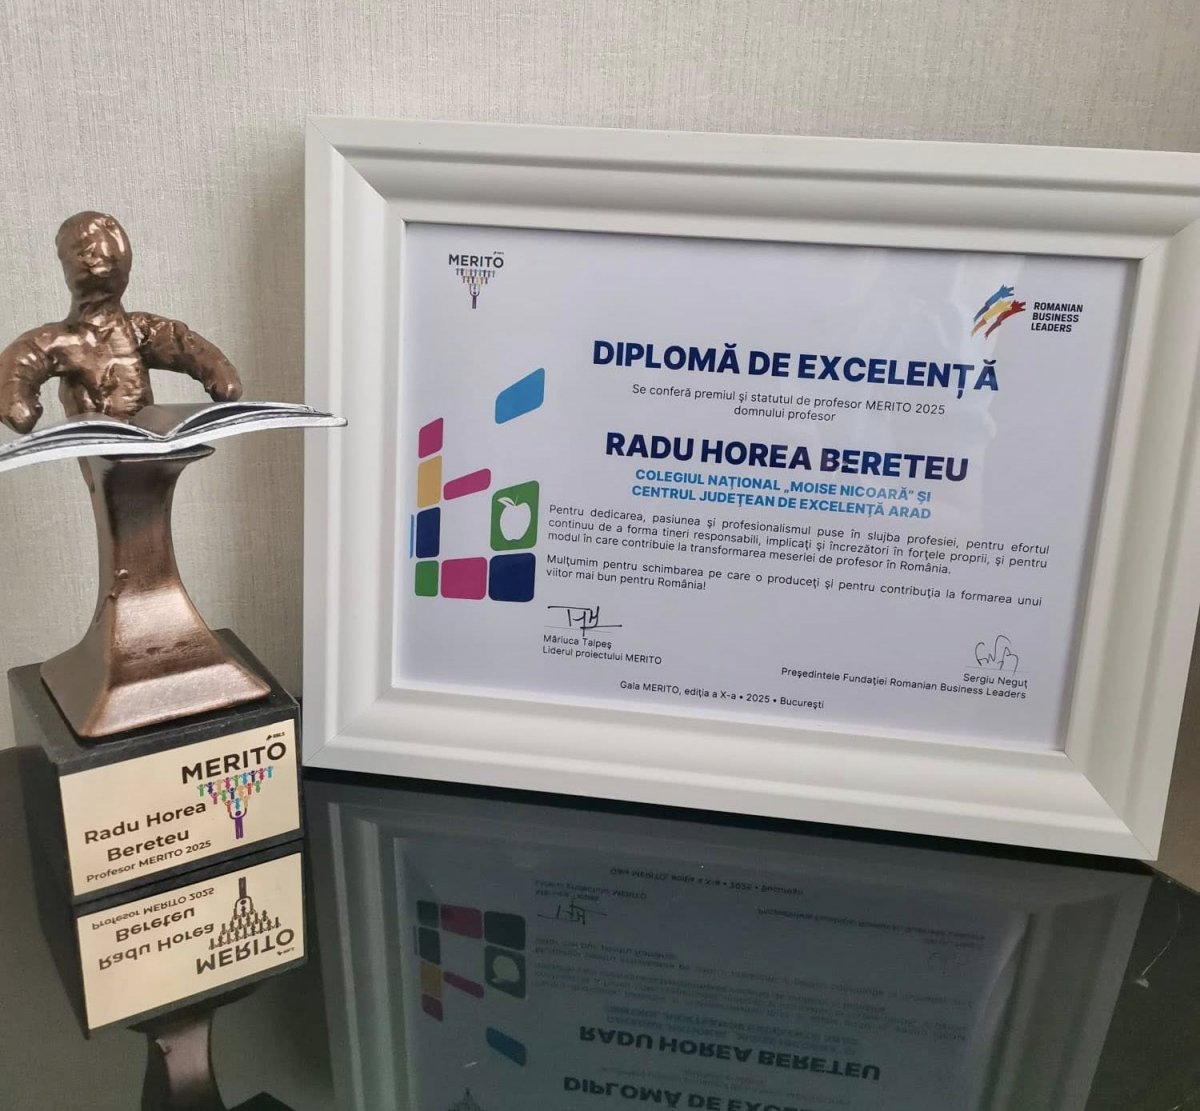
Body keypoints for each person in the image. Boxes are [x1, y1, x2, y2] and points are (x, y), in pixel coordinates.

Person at [0, 211, 242, 434]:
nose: (93, 258)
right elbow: (19, 368)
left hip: (149, 448)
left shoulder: (140, 330)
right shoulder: (59, 341)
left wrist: (217, 371)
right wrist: (15, 400)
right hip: (102, 454)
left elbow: (185, 345)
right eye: (83, 252)